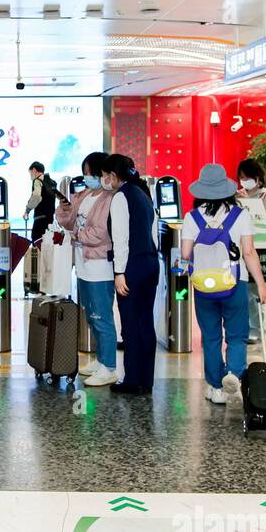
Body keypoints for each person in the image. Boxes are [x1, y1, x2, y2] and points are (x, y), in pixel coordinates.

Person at [179, 162, 266, 405]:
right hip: (235, 283)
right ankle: (233, 373)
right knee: (237, 335)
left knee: (210, 337)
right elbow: (249, 253)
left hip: (203, 286)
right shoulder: (240, 215)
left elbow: (186, 254)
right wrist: (261, 285)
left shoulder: (191, 218)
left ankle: (215, 386)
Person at [56, 152, 117, 387]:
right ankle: (101, 360)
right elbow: (69, 220)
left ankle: (110, 366)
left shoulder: (110, 198)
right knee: (91, 315)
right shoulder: (85, 195)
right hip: (83, 265)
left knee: (102, 316)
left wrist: (77, 236)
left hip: (100, 266)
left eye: (91, 173)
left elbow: (101, 232)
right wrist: (64, 209)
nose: (87, 177)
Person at [102, 153, 159, 396]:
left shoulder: (121, 197)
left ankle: (133, 380)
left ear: (114, 176)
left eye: (105, 175)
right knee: (146, 322)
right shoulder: (144, 195)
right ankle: (146, 379)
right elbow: (153, 233)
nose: (104, 179)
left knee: (131, 324)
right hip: (150, 263)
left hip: (132, 266)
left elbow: (121, 239)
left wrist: (119, 272)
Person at [236, 158, 266, 344]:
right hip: (240, 248)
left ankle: (257, 330)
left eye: (247, 178)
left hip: (258, 249)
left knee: (253, 291)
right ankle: (243, 327)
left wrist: (247, 204)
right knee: (241, 291)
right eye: (241, 178)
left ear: (258, 178)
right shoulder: (237, 196)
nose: (244, 182)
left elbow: (263, 220)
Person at [24, 161, 59, 242]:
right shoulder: (52, 182)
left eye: (30, 173)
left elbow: (36, 197)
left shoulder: (38, 181)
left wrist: (27, 210)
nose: (30, 176)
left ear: (34, 170)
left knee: (36, 242)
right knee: (48, 244)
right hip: (50, 220)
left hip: (40, 220)